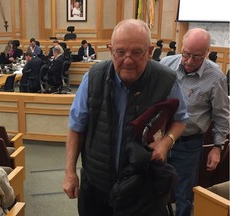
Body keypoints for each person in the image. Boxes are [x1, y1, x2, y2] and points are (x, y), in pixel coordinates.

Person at [63, 19, 189, 216]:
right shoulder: (94, 77)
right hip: (96, 186)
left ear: (149, 51)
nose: (127, 60)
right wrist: (70, 172)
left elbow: (181, 120)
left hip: (142, 188)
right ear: (111, 50)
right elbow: (76, 127)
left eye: (136, 52)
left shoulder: (166, 80)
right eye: (120, 52)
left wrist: (166, 142)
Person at [160, 28, 229, 216]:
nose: (189, 61)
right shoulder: (165, 65)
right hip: (160, 140)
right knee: (155, 187)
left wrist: (217, 147)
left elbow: (222, 116)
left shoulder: (215, 77)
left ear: (206, 53)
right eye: (186, 54)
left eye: (197, 57)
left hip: (188, 144)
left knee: (184, 193)